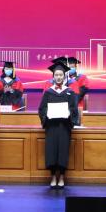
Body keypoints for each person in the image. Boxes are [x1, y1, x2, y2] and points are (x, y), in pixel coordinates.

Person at [38, 60, 79, 189]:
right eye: (56, 75)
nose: (58, 77)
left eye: (61, 75)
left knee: (62, 151)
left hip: (64, 127)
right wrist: (46, 115)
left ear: (64, 76)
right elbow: (42, 109)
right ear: (53, 77)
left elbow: (74, 110)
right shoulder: (48, 92)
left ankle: (61, 176)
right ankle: (53, 176)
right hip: (51, 127)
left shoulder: (69, 92)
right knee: (51, 151)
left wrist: (69, 114)